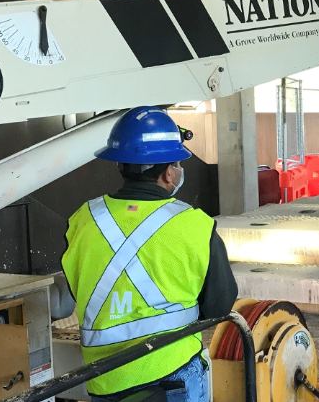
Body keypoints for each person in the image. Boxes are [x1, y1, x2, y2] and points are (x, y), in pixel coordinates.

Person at [53, 107, 238, 401]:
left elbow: (80, 287)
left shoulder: (82, 220)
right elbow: (219, 306)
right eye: (178, 163)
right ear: (168, 172)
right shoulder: (195, 224)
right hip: (172, 375)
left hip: (104, 379)